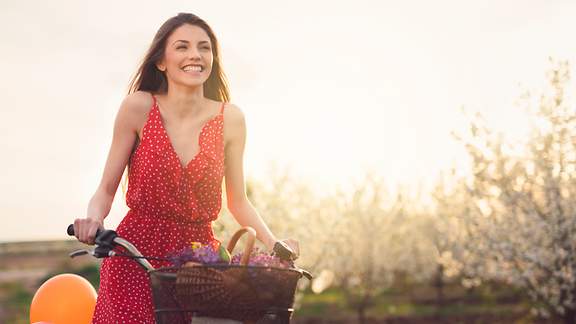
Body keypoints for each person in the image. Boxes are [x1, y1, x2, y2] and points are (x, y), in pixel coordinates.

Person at [72, 12, 299, 323]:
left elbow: (238, 200)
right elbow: (106, 189)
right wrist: (93, 220)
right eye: (182, 46)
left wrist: (276, 245)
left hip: (198, 265)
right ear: (161, 61)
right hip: (134, 253)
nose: (195, 55)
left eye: (204, 48)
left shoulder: (231, 119)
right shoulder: (138, 107)